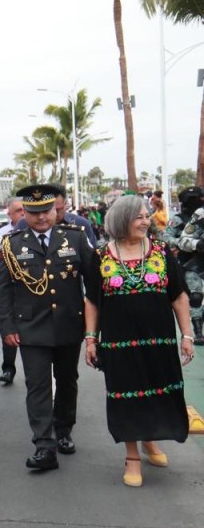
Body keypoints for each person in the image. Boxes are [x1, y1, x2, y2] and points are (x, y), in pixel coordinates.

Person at [84, 195, 192, 487]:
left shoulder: (161, 251)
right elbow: (92, 302)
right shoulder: (101, 256)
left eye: (148, 216)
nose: (146, 221)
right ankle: (132, 455)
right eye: (140, 217)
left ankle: (150, 440)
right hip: (120, 344)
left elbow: (179, 296)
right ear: (122, 220)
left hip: (158, 342)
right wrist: (91, 340)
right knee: (127, 396)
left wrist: (187, 335)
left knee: (158, 393)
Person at [0, 184, 95, 472]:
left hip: (68, 324)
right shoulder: (12, 244)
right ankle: (44, 445)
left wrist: (93, 327)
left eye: (46, 211)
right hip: (31, 328)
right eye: (34, 213)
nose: (41, 218)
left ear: (56, 210)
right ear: (24, 212)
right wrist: (7, 327)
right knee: (36, 385)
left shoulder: (74, 239)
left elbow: (94, 281)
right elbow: (1, 291)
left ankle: (63, 431)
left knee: (67, 380)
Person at [161, 186, 204, 344]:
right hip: (187, 260)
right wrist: (184, 244)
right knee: (195, 295)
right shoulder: (180, 219)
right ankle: (197, 331)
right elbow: (166, 236)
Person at [0, 197, 24, 385]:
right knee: (9, 333)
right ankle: (8, 368)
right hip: (11, 292)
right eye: (19, 210)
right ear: (10, 213)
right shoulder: (2, 235)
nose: (23, 214)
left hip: (30, 294)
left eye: (25, 210)